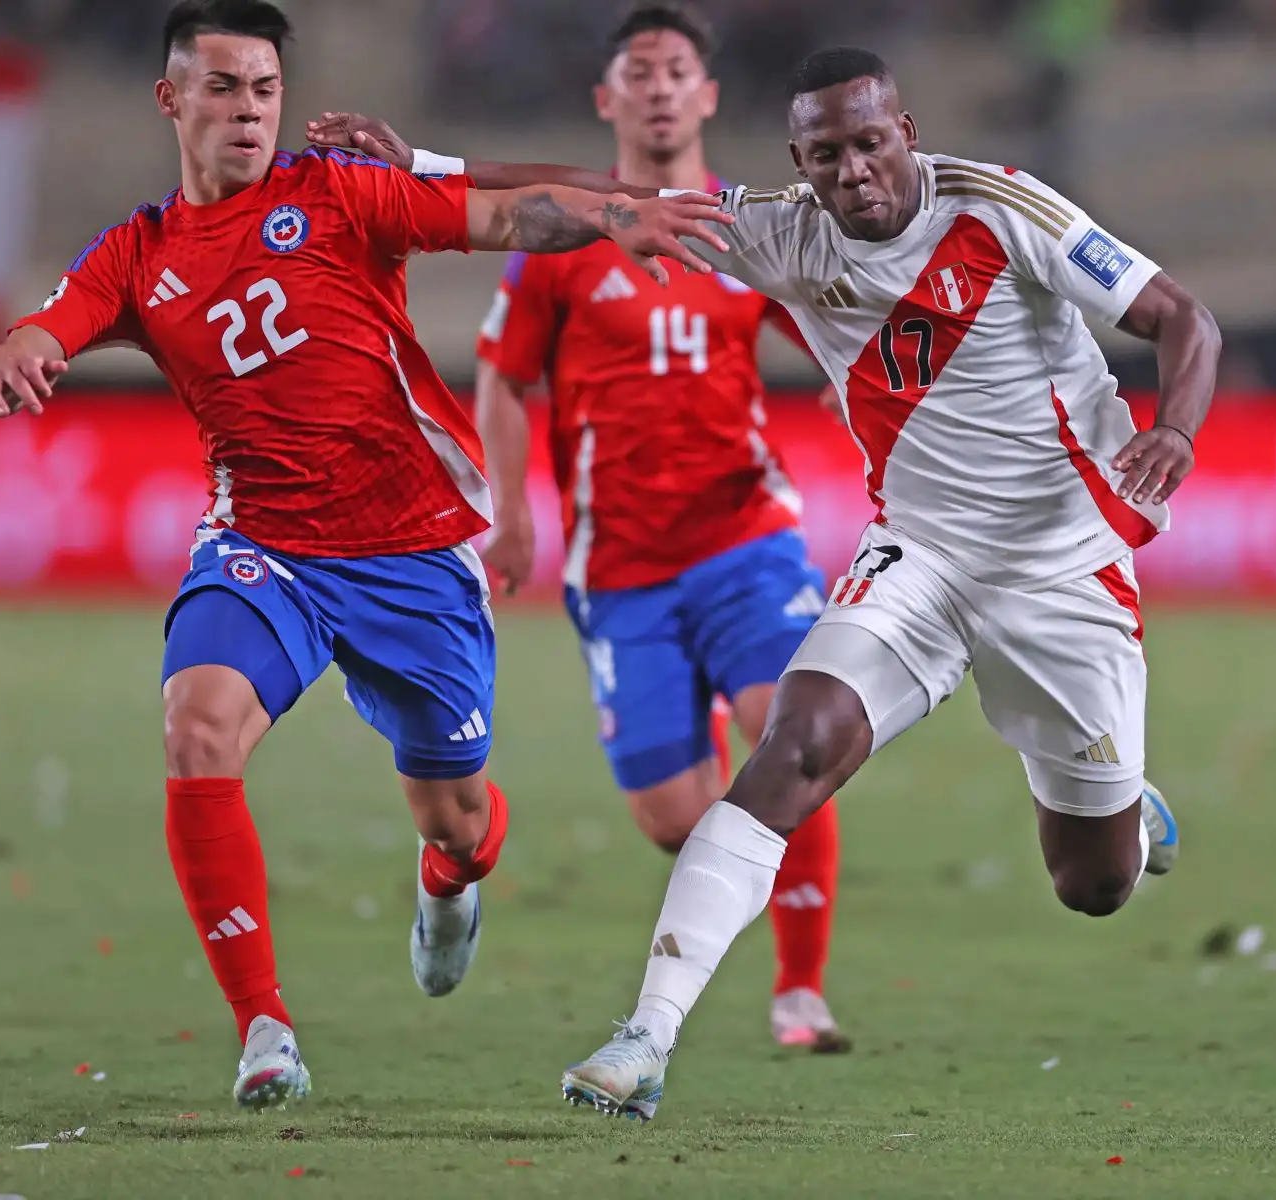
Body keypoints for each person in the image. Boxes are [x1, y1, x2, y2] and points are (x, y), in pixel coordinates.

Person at [360, 44, 1220, 1121]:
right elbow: (613, 199)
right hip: (921, 558)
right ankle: (646, 1037)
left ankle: (1122, 806)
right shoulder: (775, 229)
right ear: (797, 161)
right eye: (827, 154)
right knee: (794, 744)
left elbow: (1186, 319)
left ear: (906, 132)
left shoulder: (1003, 208)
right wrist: (425, 163)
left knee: (1092, 886)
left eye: (870, 143)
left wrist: (1176, 430)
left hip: (1060, 568)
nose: (854, 171)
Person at [0, 0, 728, 1112]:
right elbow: (52, 323)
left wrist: (611, 218)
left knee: (456, 818)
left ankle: (450, 878)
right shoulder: (137, 253)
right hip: (262, 542)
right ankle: (263, 1025)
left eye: (264, 90)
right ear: (172, 99)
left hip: (414, 553)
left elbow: (509, 217)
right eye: (223, 87)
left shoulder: (334, 192)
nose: (248, 111)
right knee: (197, 727)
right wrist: (12, 355)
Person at [310, 2, 852, 1052]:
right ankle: (731, 879)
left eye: (677, 68)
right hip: (623, 570)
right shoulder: (564, 235)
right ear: (608, 99)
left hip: (746, 538)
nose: (658, 85)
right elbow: (505, 380)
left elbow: (831, 326)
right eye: (638, 70)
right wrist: (511, 514)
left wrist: (854, 387)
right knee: (671, 818)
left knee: (792, 732)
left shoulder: (741, 232)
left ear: (708, 96)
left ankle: (800, 990)